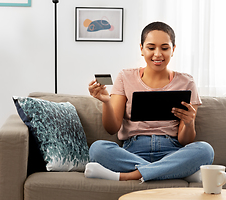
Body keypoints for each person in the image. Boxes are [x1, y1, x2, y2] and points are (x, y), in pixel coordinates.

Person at [86, 21, 214, 182]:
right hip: (132, 151)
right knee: (97, 149)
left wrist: (189, 123)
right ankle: (176, 171)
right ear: (141, 49)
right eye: (151, 48)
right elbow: (112, 129)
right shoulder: (125, 77)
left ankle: (132, 175)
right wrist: (106, 101)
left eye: (165, 48)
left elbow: (185, 141)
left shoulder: (187, 82)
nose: (158, 54)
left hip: (172, 150)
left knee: (205, 150)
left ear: (173, 49)